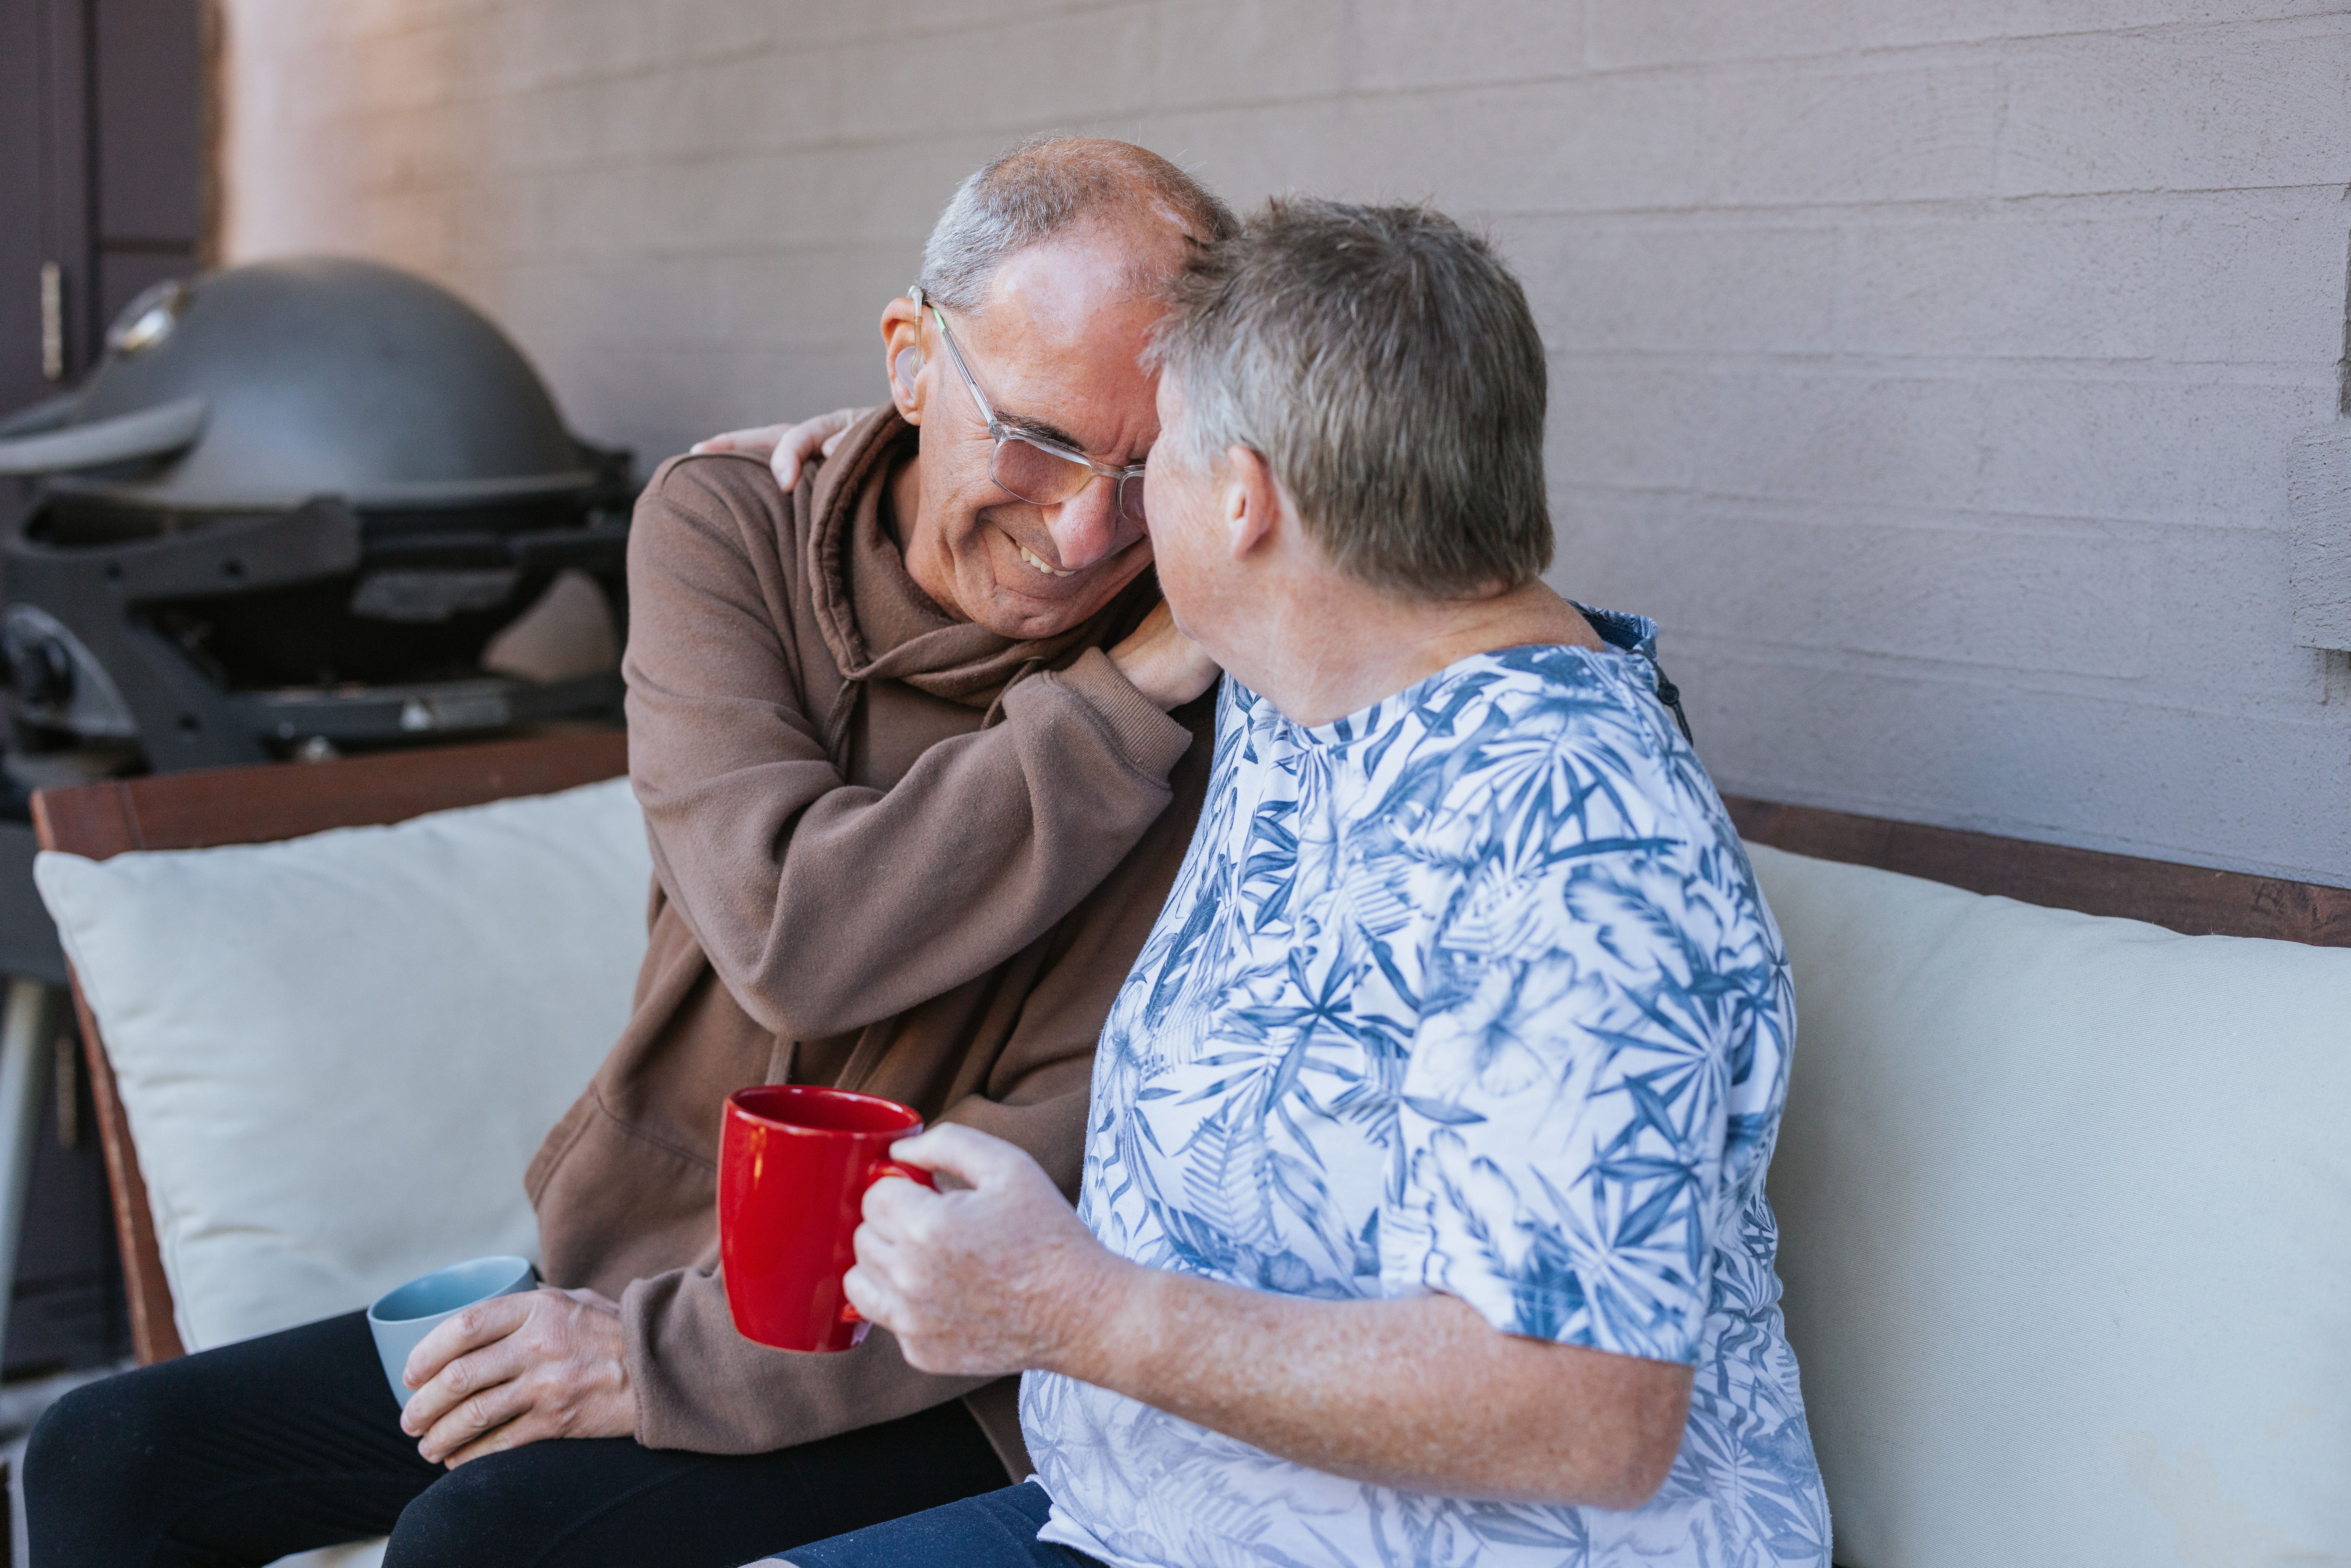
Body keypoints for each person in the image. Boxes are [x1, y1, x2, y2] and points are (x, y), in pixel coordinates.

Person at [25, 137, 1233, 1568]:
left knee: (488, 1540)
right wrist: (1108, 703)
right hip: (638, 1257)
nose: (1085, 529)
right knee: (111, 1455)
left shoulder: (1218, 681)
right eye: (1037, 435)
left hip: (927, 1352)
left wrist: (664, 1361)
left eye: (1146, 467)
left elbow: (1067, 1142)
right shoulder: (729, 527)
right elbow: (794, 930)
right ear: (911, 360)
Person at [764, 200, 1832, 1568]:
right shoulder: (1308, 669)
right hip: (1138, 1524)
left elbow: (1585, 1415)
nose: (1108, 516)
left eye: (1149, 458)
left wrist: (1072, 1310)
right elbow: (1171, 317)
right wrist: (892, 446)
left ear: (1241, 498)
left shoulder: (1573, 838)